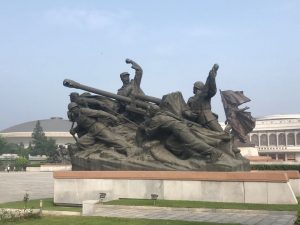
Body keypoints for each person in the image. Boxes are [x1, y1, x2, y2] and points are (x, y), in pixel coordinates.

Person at [67, 102, 139, 157]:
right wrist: (74, 130)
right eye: (72, 110)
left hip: (98, 128)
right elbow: (81, 126)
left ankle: (131, 150)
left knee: (113, 140)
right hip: (91, 132)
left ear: (77, 107)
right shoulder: (77, 118)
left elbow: (99, 113)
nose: (74, 111)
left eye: (75, 108)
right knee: (81, 143)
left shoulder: (84, 111)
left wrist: (112, 117)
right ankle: (95, 153)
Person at [185, 64, 223, 132]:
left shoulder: (205, 96)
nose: (192, 89)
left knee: (221, 133)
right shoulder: (191, 99)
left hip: (209, 119)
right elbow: (186, 110)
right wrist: (190, 114)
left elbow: (212, 90)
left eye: (193, 87)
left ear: (196, 88)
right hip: (197, 122)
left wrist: (212, 76)